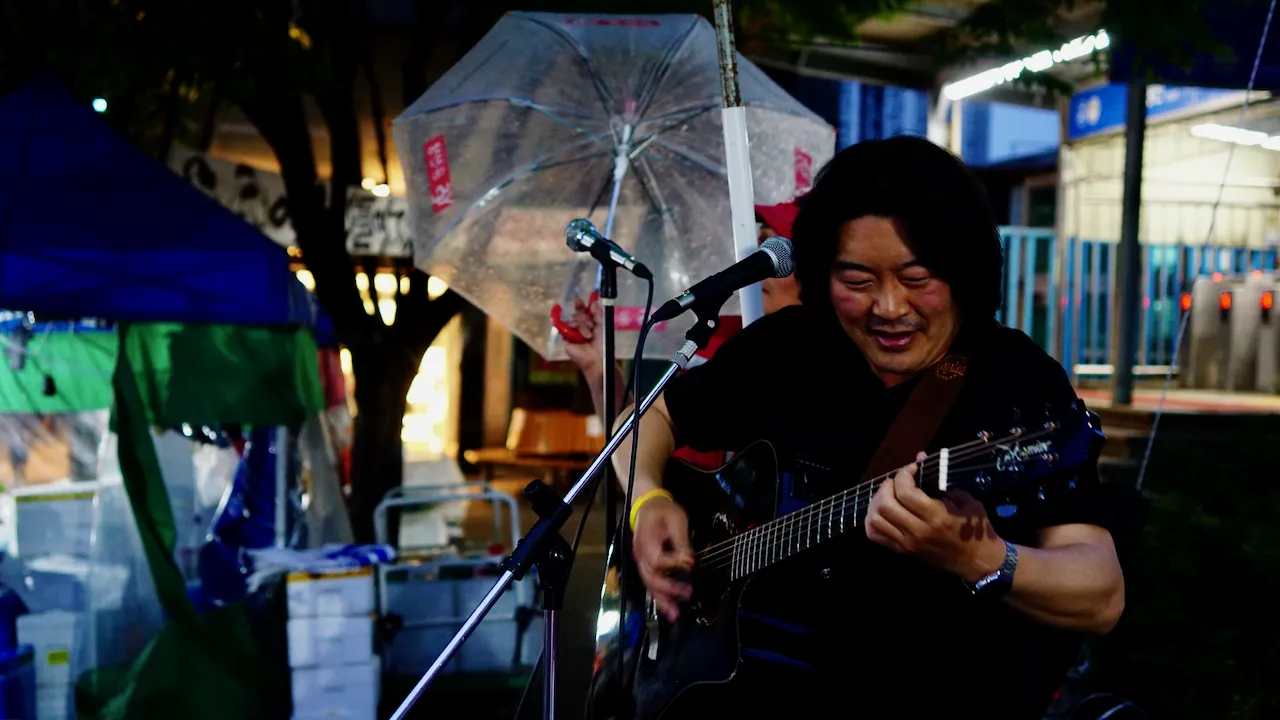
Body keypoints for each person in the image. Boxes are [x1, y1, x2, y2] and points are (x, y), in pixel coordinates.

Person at [612, 136, 1126, 718]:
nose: (888, 307)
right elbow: (646, 418)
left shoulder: (1016, 381)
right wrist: (648, 499)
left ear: (966, 272)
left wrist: (982, 559)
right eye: (857, 281)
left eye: (917, 278)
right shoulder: (792, 347)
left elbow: (1101, 593)